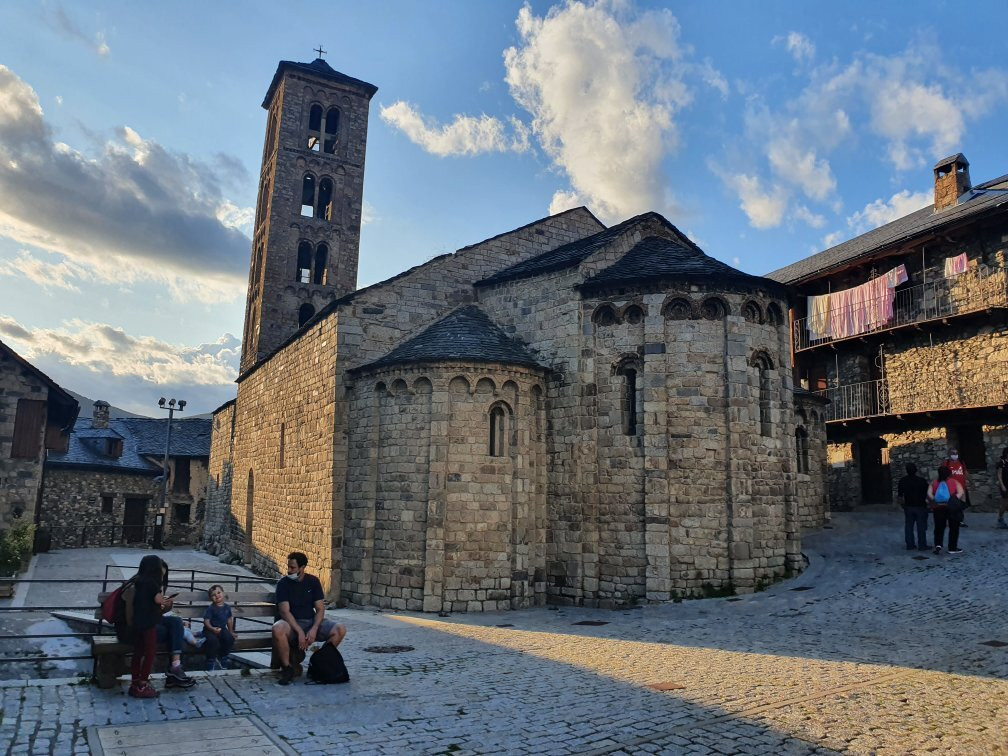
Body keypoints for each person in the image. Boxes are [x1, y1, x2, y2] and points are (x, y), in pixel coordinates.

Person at [272, 551, 347, 685]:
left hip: (310, 621)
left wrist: (314, 629)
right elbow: (285, 612)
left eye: (293, 568)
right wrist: (300, 632)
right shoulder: (283, 584)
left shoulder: (313, 582)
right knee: (278, 628)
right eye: (288, 567)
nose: (289, 570)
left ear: (302, 568)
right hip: (291, 624)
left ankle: (320, 662)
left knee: (340, 629)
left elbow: (319, 608)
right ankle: (287, 668)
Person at [125, 554, 166, 698]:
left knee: (138, 652)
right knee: (150, 652)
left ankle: (134, 682)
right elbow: (158, 600)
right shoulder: (153, 584)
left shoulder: (139, 581)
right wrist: (166, 600)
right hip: (149, 622)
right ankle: (143, 683)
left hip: (138, 622)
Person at [155, 559, 197, 689]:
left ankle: (174, 671)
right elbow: (147, 614)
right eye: (159, 574)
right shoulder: (146, 586)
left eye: (163, 575)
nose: (161, 578)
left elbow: (158, 613)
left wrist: (166, 606)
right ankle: (175, 670)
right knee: (175, 631)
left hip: (154, 621)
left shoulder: (157, 587)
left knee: (177, 623)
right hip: (143, 627)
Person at [927, 465, 965, 555]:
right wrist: (953, 500)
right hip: (951, 508)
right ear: (949, 473)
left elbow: (929, 493)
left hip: (938, 508)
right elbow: (961, 492)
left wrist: (935, 500)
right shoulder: (954, 482)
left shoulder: (934, 482)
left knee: (939, 527)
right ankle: (952, 547)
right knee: (954, 527)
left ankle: (938, 545)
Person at [202, 584, 237, 670]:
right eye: (214, 595)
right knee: (213, 641)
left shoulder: (227, 607)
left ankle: (223, 657)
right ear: (211, 598)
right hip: (209, 630)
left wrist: (231, 631)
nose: (217, 595)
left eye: (219, 593)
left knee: (229, 638)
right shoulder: (211, 608)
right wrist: (212, 628)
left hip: (222, 629)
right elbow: (206, 621)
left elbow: (229, 620)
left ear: (223, 593)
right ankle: (211, 660)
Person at [897, 462, 929, 550]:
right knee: (921, 527)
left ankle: (910, 544)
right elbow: (927, 493)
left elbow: (900, 495)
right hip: (920, 506)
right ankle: (922, 545)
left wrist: (903, 505)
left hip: (908, 506)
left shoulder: (902, 481)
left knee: (909, 526)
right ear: (916, 470)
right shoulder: (921, 481)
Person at [941, 448, 969, 526]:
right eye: (953, 453)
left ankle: (960, 520)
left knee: (961, 504)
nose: (955, 455)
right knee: (950, 504)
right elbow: (942, 474)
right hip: (951, 488)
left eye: (956, 453)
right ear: (949, 454)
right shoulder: (946, 463)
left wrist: (969, 482)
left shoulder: (961, 462)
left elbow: (965, 473)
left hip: (961, 487)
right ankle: (949, 520)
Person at [996, 447, 1008, 529]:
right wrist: (1002, 485)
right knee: (1004, 505)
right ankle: (1000, 518)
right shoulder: (1002, 463)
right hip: (1005, 485)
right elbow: (999, 475)